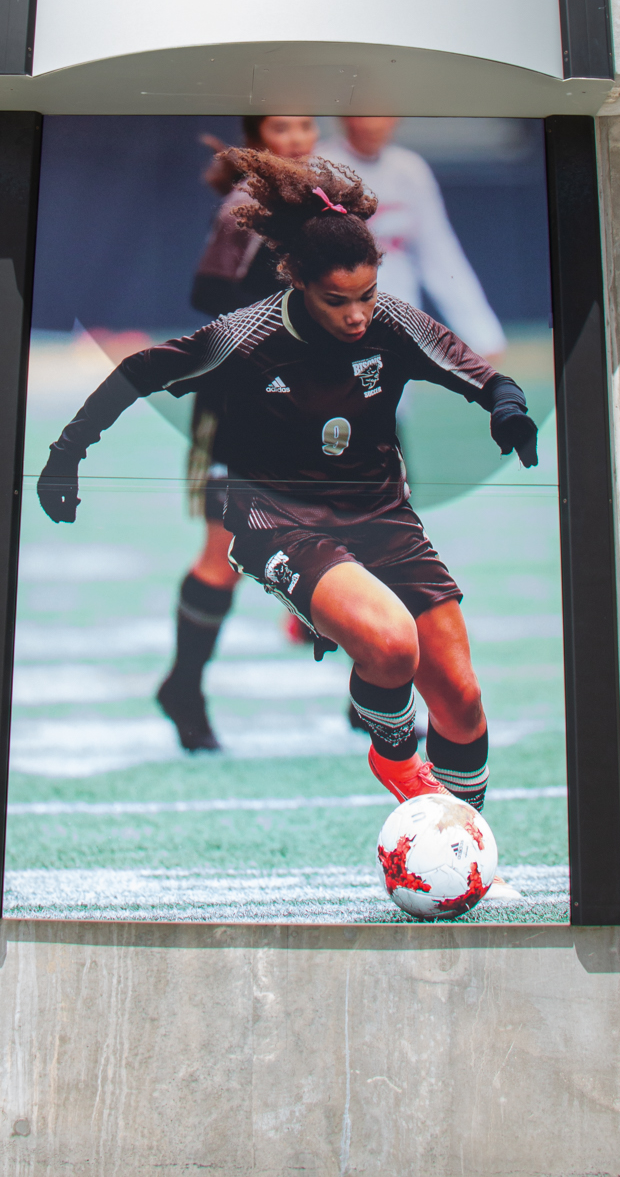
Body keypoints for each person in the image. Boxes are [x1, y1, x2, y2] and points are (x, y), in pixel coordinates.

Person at [37, 152, 539, 811]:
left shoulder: (391, 320)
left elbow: (485, 377)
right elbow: (137, 370)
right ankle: (395, 757)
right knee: (391, 644)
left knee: (462, 698)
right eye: (338, 300)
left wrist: (508, 410)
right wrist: (66, 453)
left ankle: (465, 837)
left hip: (383, 516)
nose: (358, 314)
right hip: (280, 521)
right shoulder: (246, 337)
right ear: (299, 281)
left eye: (366, 294)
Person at [156, 114, 320, 753]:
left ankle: (368, 699)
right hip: (244, 403)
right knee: (222, 554)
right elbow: (208, 293)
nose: (299, 139)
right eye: (283, 128)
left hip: (310, 401)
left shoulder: (323, 198)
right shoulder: (248, 205)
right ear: (258, 141)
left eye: (307, 125)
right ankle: (184, 687)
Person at [334, 117, 506, 361]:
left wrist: (483, 335)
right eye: (363, 114)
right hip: (340, 316)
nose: (373, 125)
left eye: (381, 114)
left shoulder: (410, 168)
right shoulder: (321, 164)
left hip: (399, 316)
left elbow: (440, 253)